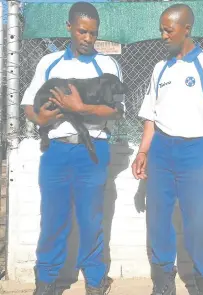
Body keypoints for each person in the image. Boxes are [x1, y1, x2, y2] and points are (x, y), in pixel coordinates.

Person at [21, 2, 125, 295]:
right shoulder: (49, 62)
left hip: (92, 151)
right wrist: (39, 117)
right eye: (82, 31)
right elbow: (29, 103)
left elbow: (118, 110)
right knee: (53, 219)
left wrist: (83, 107)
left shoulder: (108, 65)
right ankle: (46, 282)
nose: (88, 38)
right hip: (56, 151)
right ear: (69, 28)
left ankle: (94, 282)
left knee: (91, 220)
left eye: (93, 33)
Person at [132, 4, 203, 295]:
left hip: (196, 152)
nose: (163, 35)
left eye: (169, 29)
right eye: (161, 30)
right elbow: (150, 117)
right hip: (161, 151)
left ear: (186, 28)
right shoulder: (159, 68)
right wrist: (142, 153)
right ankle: (164, 282)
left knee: (198, 223)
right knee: (158, 220)